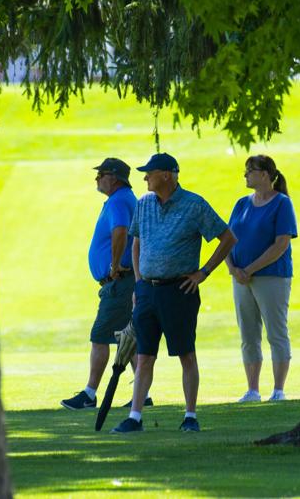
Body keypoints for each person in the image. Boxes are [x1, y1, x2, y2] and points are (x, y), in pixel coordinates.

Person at [111, 153, 237, 433]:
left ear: (167, 175)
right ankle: (135, 417)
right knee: (144, 356)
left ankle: (190, 416)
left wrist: (203, 272)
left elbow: (228, 237)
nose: (144, 177)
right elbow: (137, 243)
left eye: (150, 172)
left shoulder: (194, 205)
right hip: (148, 291)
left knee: (186, 354)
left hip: (179, 290)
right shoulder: (143, 204)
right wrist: (140, 282)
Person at [60, 158, 144, 410]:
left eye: (102, 174)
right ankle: (143, 392)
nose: (97, 179)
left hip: (118, 281)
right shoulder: (121, 199)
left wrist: (115, 265)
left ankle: (89, 394)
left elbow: (119, 231)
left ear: (115, 177)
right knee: (126, 338)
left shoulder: (119, 200)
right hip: (122, 281)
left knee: (100, 336)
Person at [225, 155, 297, 403]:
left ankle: (278, 390)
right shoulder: (241, 204)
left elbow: (280, 244)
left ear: (265, 174)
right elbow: (227, 238)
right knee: (248, 334)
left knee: (276, 332)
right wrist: (234, 269)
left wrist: (250, 269)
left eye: (250, 170)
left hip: (271, 277)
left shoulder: (281, 204)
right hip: (241, 279)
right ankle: (252, 390)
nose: (245, 175)